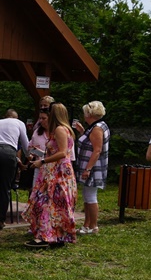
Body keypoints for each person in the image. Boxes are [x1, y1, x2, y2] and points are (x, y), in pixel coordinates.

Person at [25, 103, 77, 248]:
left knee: (47, 204)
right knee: (54, 205)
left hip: (58, 171)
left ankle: (46, 237)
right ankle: (55, 236)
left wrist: (42, 161)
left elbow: (62, 152)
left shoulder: (60, 129)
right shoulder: (65, 129)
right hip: (57, 170)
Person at [0, 109, 29, 230]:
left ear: (5, 116)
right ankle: (0, 220)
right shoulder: (19, 123)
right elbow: (25, 145)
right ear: (16, 118)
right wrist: (30, 156)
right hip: (8, 152)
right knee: (5, 188)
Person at [72, 101, 109, 235]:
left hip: (93, 167)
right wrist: (82, 131)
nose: (84, 116)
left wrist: (88, 169)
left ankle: (93, 226)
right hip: (89, 166)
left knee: (91, 197)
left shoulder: (97, 128)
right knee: (87, 196)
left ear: (89, 114)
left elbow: (97, 150)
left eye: (85, 113)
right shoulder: (94, 126)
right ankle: (86, 225)